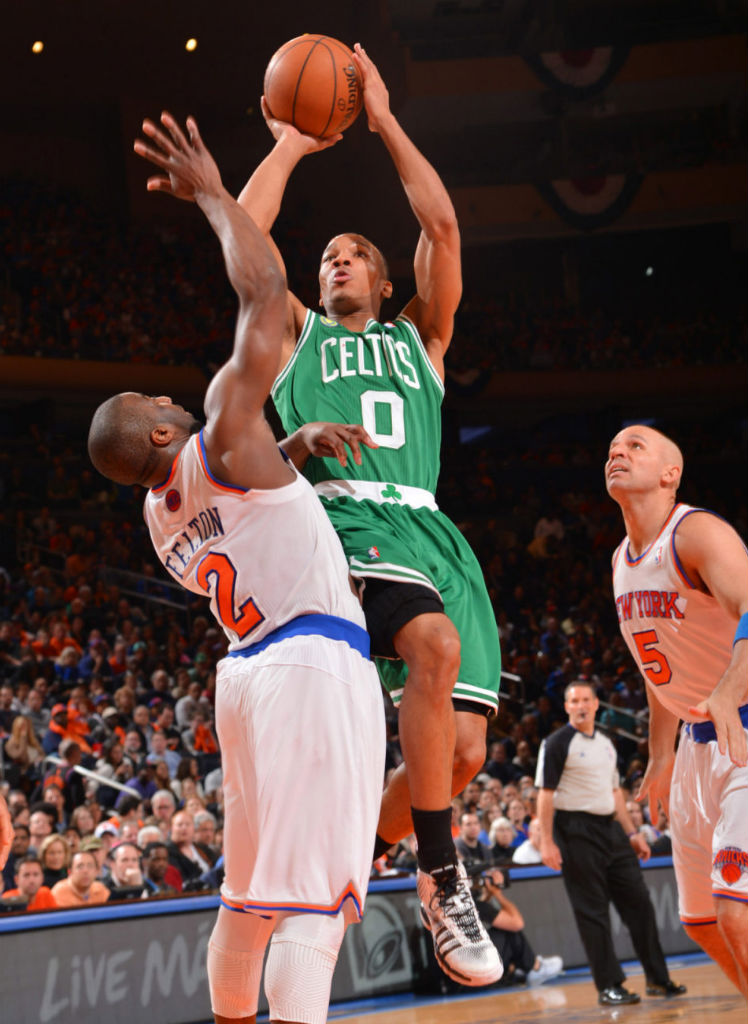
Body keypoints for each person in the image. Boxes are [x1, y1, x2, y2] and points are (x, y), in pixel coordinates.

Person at [88, 110, 385, 1024]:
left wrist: (288, 442)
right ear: (165, 432)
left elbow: (248, 509)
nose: (168, 393)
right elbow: (263, 294)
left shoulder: (158, 511)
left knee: (249, 896)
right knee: (314, 904)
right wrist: (215, 193)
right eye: (153, 401)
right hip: (309, 664)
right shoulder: (217, 429)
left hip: (245, 675)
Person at [238, 41, 502, 987]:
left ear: (385, 283)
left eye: (354, 255)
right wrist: (290, 146)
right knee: (431, 649)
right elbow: (246, 243)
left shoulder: (421, 337)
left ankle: (339, 857)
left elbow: (442, 222)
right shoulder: (297, 336)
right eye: (326, 257)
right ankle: (440, 874)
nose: (337, 260)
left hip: (436, 530)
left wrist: (383, 119)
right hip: (347, 518)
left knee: (463, 753)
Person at [605, 423, 748, 996]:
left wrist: (727, 691)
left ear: (671, 474)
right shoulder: (620, 559)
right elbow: (653, 661)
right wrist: (659, 754)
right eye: (613, 448)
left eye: (635, 445)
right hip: (694, 739)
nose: (618, 451)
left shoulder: (697, 532)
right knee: (703, 923)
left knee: (736, 911)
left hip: (740, 725)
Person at [536, 681, 686, 1005]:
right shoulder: (556, 743)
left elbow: (616, 793)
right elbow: (545, 794)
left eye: (585, 700)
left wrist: (632, 834)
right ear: (566, 707)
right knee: (593, 912)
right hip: (575, 829)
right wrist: (546, 841)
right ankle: (609, 985)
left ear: (596, 704)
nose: (580, 705)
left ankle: (658, 979)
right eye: (573, 700)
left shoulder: (606, 743)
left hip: (612, 830)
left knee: (640, 905)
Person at [472, 868, 563, 988]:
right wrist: (498, 894)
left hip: (466, 964)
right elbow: (517, 923)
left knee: (500, 930)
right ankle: (535, 968)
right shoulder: (475, 904)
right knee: (509, 930)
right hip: (475, 965)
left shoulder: (466, 902)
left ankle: (519, 968)